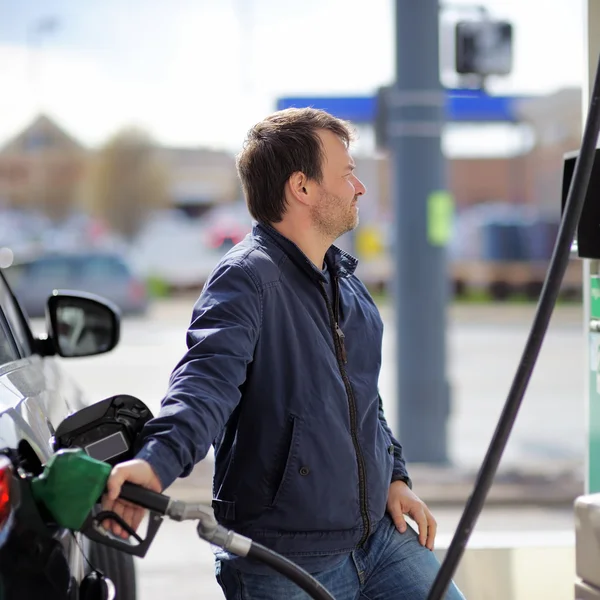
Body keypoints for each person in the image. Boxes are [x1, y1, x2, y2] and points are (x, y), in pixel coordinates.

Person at [102, 108, 465, 600]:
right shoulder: (246, 279)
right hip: (283, 559)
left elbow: (363, 402)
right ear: (303, 187)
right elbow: (204, 385)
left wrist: (394, 477)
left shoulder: (347, 285)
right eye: (347, 173)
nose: (359, 187)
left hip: (379, 540)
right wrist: (156, 461)